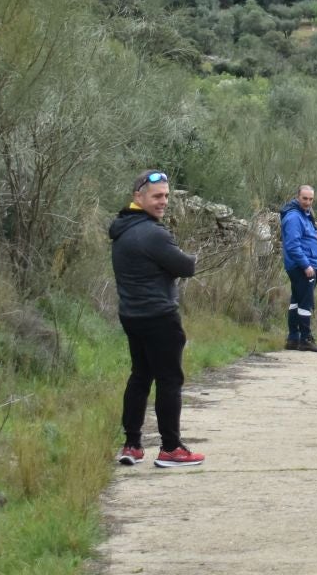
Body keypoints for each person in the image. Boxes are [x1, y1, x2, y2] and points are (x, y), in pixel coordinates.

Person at [110, 170, 204, 468]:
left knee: (140, 377)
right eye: (157, 196)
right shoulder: (153, 233)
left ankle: (132, 445)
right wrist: (187, 258)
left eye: (166, 196)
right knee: (169, 380)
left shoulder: (122, 229)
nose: (163, 201)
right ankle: (171, 448)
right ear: (138, 197)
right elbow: (186, 267)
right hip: (160, 317)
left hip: (131, 315)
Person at [280, 184, 317, 352]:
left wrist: (316, 235)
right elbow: (292, 245)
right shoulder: (294, 217)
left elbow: (304, 237)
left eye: (311, 199)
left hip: (303, 264)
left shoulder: (304, 215)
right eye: (304, 198)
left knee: (296, 300)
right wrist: (306, 265)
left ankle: (293, 339)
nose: (308, 202)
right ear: (297, 197)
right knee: (306, 302)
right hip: (302, 266)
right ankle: (305, 339)